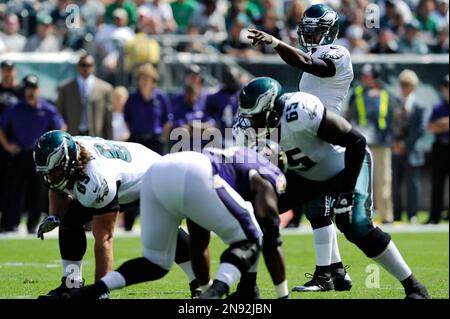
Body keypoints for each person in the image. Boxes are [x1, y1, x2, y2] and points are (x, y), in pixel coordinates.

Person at [234, 76, 430, 299]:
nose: (251, 123)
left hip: (345, 167)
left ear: (273, 110)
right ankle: (248, 289)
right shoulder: (248, 129)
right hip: (306, 175)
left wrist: (347, 191)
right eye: (248, 117)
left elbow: (356, 142)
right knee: (254, 211)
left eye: (256, 117)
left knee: (355, 225)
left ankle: (414, 287)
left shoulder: (299, 111)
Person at [64, 146, 287, 299]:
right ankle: (216, 291)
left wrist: (205, 286)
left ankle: (92, 291)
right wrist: (282, 293)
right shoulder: (269, 171)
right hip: (195, 171)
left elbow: (199, 245)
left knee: (156, 263)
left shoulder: (235, 159)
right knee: (253, 236)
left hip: (157, 173)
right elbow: (268, 234)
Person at [246, 3, 353, 291]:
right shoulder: (315, 53)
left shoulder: (338, 53)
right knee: (318, 209)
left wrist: (275, 42)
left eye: (317, 31)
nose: (311, 37)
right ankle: (337, 273)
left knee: (320, 209)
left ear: (331, 31)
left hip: (327, 135)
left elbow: (308, 64)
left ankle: (325, 276)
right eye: (307, 31)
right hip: (310, 134)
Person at [33, 131, 199, 299]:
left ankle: (199, 280)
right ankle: (71, 283)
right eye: (46, 173)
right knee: (69, 218)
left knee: (163, 230)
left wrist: (98, 290)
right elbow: (56, 188)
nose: (50, 177)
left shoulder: (96, 178)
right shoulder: (68, 154)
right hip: (127, 165)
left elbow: (104, 238)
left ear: (68, 162)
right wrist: (55, 216)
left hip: (153, 175)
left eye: (54, 172)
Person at [0, 75, 65, 234]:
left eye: (34, 88)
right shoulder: (15, 108)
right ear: (25, 90)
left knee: (37, 191)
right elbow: (1, 126)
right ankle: (11, 224)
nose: (31, 92)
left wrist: (51, 148)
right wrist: (8, 145)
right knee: (14, 189)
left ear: (38, 90)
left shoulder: (47, 109)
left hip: (39, 156)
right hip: (19, 154)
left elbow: (61, 128)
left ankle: (33, 224)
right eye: (28, 88)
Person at [346, 64, 396, 224]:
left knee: (383, 181)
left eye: (368, 76)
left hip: (381, 143)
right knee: (360, 181)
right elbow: (349, 116)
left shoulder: (386, 94)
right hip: (362, 143)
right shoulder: (357, 94)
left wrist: (393, 138)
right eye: (364, 76)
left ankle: (386, 216)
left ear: (376, 77)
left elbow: (393, 117)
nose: (364, 79)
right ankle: (360, 214)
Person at [392, 70, 428, 223]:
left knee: (412, 184)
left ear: (413, 86)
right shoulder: (395, 103)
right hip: (396, 148)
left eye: (407, 84)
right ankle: (396, 214)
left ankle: (412, 214)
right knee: (395, 183)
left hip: (412, 150)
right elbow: (390, 125)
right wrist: (395, 143)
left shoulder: (419, 105)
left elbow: (420, 129)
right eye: (402, 84)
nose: (404, 87)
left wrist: (405, 145)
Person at [57, 54, 114, 139]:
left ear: (94, 67)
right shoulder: (65, 88)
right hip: (72, 134)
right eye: (83, 65)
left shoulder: (105, 88)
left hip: (95, 135)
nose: (85, 68)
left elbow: (108, 117)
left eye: (89, 65)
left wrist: (109, 139)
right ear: (78, 66)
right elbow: (60, 114)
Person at [124, 63, 172, 154]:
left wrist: (162, 137)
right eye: (142, 78)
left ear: (153, 80)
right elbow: (127, 119)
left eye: (148, 78)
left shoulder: (161, 97)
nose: (145, 81)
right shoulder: (132, 98)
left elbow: (168, 121)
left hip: (156, 142)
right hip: (136, 141)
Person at [0, 60, 22, 229]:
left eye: (10, 70)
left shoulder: (21, 91)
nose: (8, 73)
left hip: (17, 146)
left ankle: (12, 221)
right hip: (2, 145)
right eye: (5, 70)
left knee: (15, 185)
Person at [426, 74, 449, 224]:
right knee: (437, 182)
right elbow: (430, 127)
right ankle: (435, 216)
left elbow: (436, 125)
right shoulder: (438, 106)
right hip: (440, 146)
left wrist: (441, 124)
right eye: (446, 87)